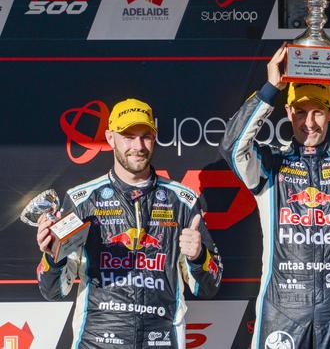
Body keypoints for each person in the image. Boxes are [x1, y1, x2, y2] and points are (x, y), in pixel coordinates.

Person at [219, 43, 330, 349]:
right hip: (282, 310)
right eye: (300, 112)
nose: (309, 122)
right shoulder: (269, 165)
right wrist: (270, 88)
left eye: (318, 111)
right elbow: (233, 148)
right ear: (288, 112)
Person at [36, 98, 223, 348]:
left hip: (162, 341)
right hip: (98, 341)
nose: (138, 145)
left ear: (155, 137)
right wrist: (52, 257)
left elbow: (209, 287)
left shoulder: (183, 201)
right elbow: (54, 291)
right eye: (128, 136)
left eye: (145, 136)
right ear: (110, 138)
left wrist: (198, 257)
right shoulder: (82, 200)